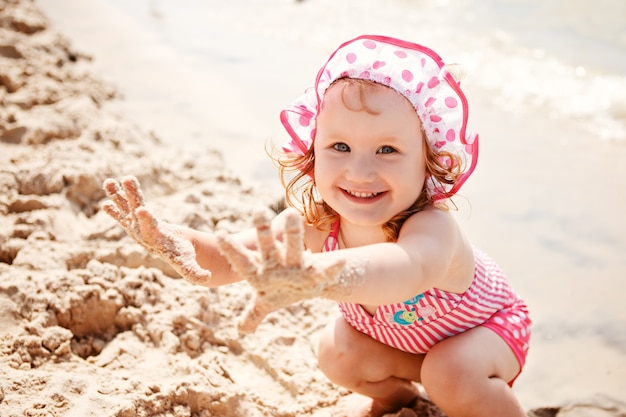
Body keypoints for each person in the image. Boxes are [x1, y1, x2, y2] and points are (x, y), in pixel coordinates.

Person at [102, 35, 531, 417]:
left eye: (387, 149)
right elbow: (231, 257)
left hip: (485, 334)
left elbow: (403, 270)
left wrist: (313, 278)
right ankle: (398, 400)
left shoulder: (432, 228)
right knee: (335, 352)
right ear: (312, 153)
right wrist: (167, 239)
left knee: (449, 373)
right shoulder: (319, 225)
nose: (360, 171)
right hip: (410, 345)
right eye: (339, 146)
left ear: (428, 162)